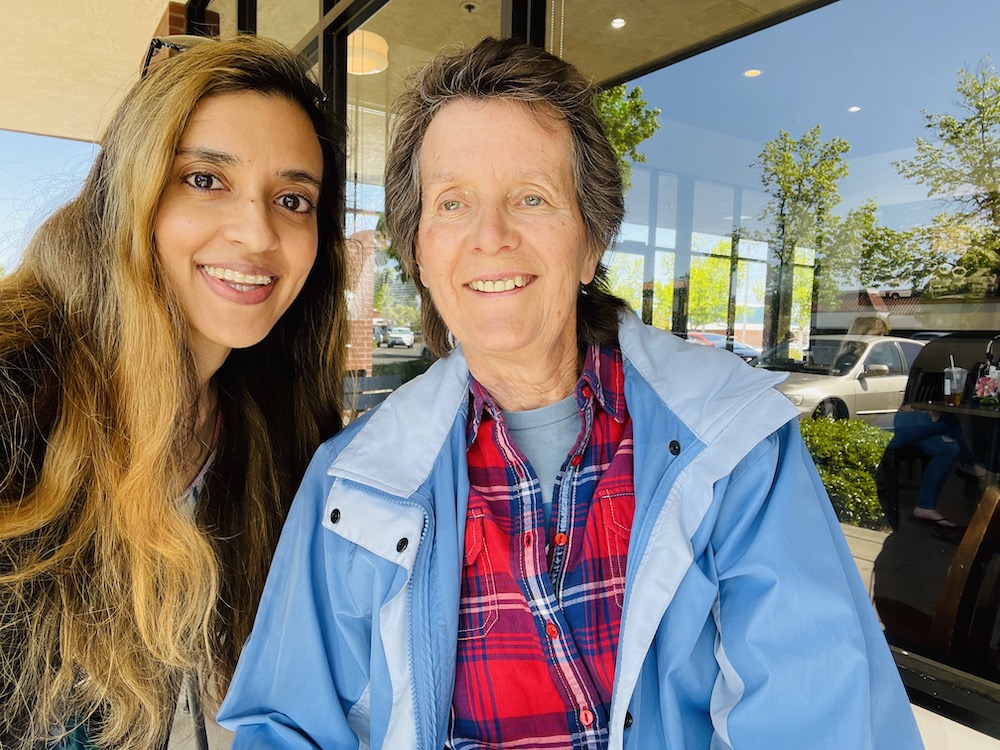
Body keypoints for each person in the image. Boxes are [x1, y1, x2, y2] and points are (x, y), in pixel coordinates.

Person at [218, 37, 922, 749]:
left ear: (591, 241)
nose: (490, 236)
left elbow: (824, 718)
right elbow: (285, 726)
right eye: (454, 203)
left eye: (531, 197)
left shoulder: (733, 443)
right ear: (420, 252)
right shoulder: (352, 485)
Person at [0, 36, 349, 749]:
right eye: (204, 179)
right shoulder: (16, 394)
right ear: (132, 190)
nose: (257, 232)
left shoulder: (276, 431)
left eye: (293, 199)